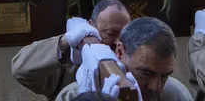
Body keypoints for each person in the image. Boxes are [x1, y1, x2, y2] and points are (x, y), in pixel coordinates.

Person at [11, 0, 131, 100]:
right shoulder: (70, 63)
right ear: (92, 26)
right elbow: (20, 69)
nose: (118, 41)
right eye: (111, 33)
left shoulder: (132, 56)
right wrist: (65, 40)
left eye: (125, 34)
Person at [55, 17, 192, 101]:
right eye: (146, 73)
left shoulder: (175, 95)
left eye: (164, 76)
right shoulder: (73, 95)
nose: (156, 87)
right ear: (120, 51)